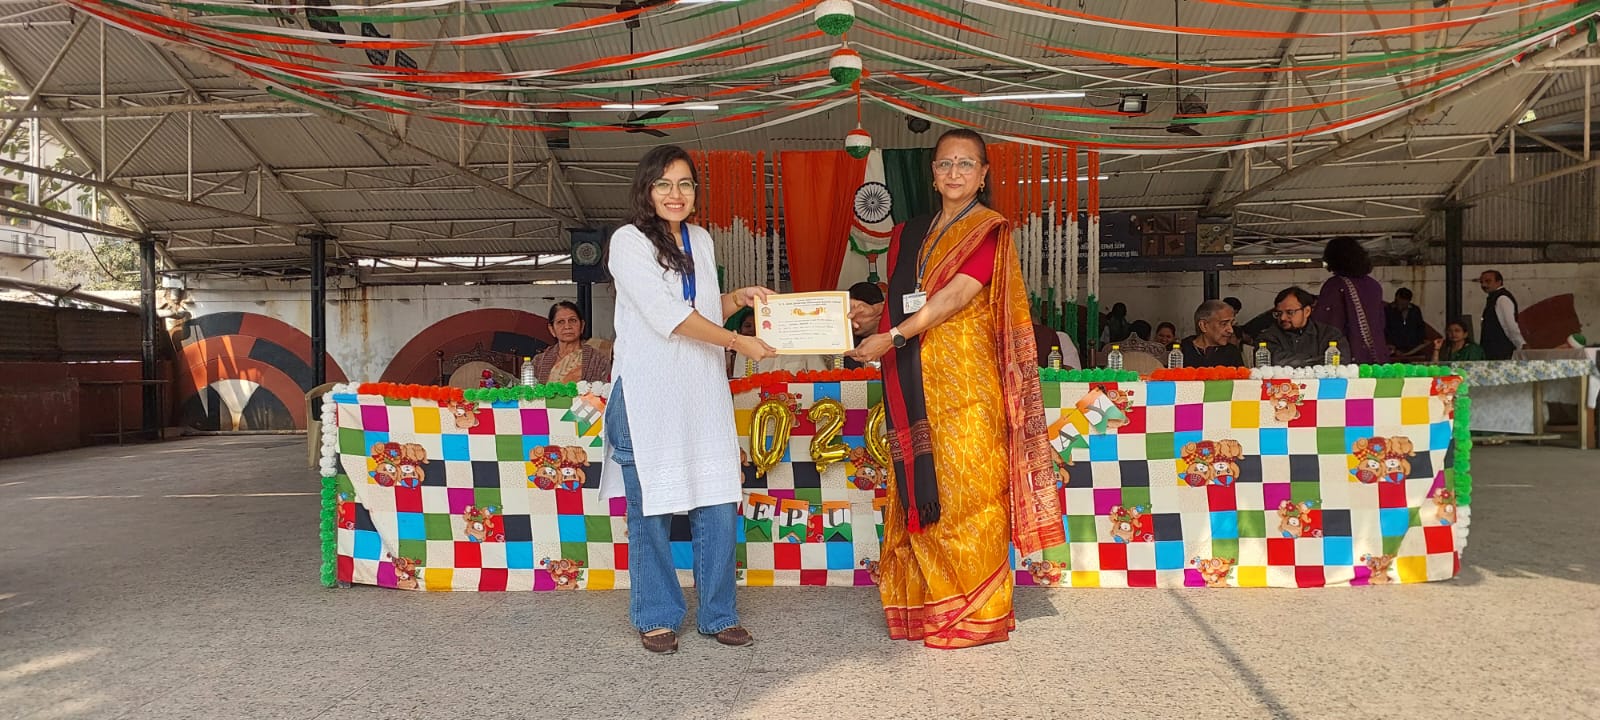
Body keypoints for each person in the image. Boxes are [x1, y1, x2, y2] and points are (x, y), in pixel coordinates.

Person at [847, 129, 1062, 649]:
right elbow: (906, 298)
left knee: (971, 489)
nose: (955, 173)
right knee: (923, 487)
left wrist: (892, 336)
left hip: (968, 381)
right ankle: (929, 605)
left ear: (983, 174)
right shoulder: (909, 233)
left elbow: (955, 296)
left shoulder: (988, 229)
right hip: (915, 376)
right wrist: (874, 318)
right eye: (945, 164)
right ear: (933, 173)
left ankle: (977, 610)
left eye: (966, 164)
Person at [602, 144, 777, 654]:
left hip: (701, 393)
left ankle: (719, 613)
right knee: (650, 514)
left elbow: (699, 309)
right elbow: (668, 315)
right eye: (663, 184)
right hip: (647, 397)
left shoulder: (699, 238)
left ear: (696, 192)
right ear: (646, 190)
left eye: (684, 184)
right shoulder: (628, 241)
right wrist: (738, 341)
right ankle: (656, 615)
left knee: (718, 502)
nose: (674, 194)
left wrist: (737, 299)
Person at [1311, 237, 1389, 364]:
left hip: (1347, 358)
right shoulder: (1374, 285)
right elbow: (1380, 322)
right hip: (1376, 356)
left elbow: (1325, 325)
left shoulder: (1335, 285)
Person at [1257, 286, 1351, 368]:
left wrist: (1304, 361)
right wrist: (1320, 360)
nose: (1282, 318)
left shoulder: (1329, 334)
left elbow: (1342, 361)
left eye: (1290, 312)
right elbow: (1276, 361)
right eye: (1278, 313)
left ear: (1307, 311)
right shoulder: (1268, 337)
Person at [726, 308, 828, 377]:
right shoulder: (743, 353)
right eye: (748, 326)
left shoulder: (804, 348)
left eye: (759, 326)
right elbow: (741, 385)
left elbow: (822, 379)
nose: (753, 331)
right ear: (740, 330)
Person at [531, 301, 613, 384]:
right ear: (552, 329)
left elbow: (607, 389)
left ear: (582, 326)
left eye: (573, 320)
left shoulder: (598, 360)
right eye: (560, 322)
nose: (567, 326)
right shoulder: (538, 362)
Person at [1179, 300, 1245, 367]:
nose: (1231, 330)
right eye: (1224, 324)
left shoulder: (1232, 352)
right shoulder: (1181, 351)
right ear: (1203, 325)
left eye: (1231, 324)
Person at [1478, 269, 1525, 360]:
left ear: (1499, 282)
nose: (1483, 285)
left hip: (1500, 350)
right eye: (1481, 282)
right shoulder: (1494, 298)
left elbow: (1509, 325)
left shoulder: (1502, 299)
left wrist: (1521, 344)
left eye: (1488, 281)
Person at [844, 281, 886, 370]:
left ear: (876, 311)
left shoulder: (893, 337)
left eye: (858, 314)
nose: (851, 320)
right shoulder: (847, 345)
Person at [1384, 288, 1429, 361]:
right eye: (1400, 302)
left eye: (1404, 303)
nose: (1402, 305)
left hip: (1413, 349)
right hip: (1394, 349)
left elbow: (1420, 327)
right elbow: (1385, 329)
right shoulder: (1388, 310)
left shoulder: (1415, 310)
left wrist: (1422, 342)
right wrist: (1391, 346)